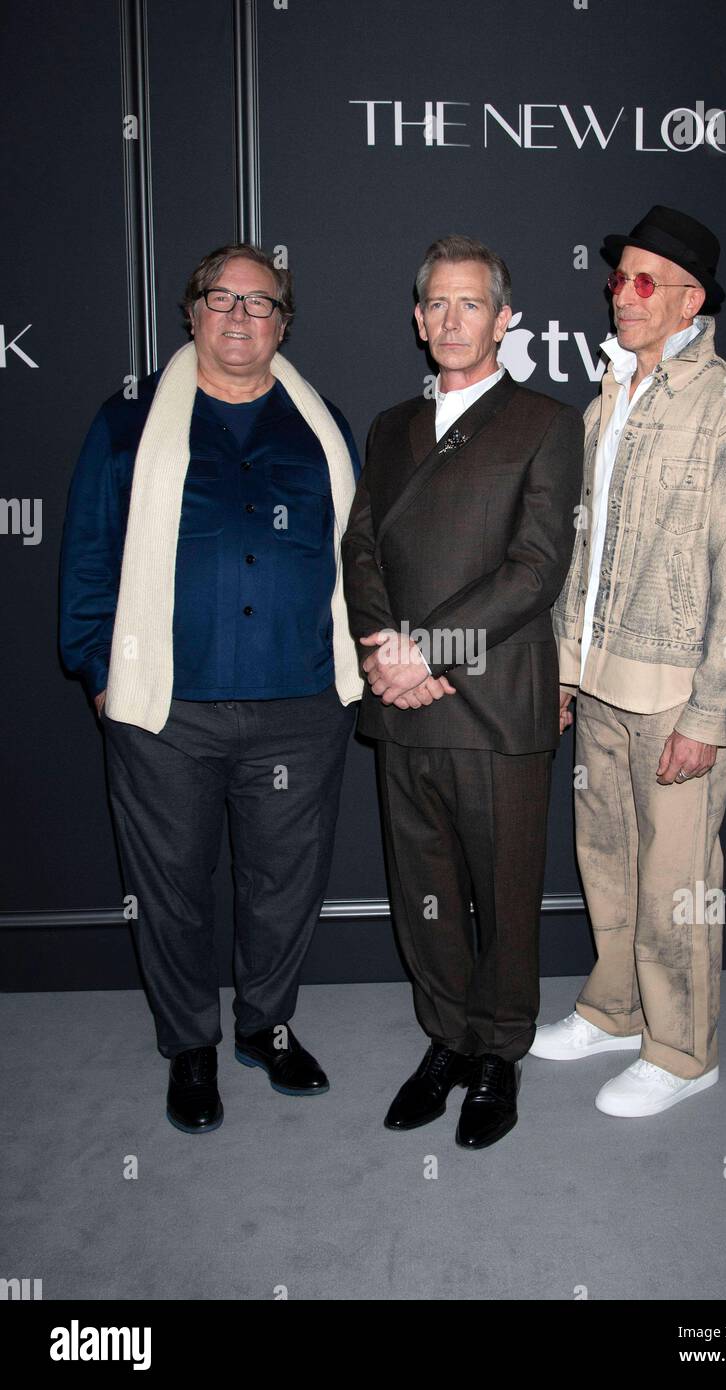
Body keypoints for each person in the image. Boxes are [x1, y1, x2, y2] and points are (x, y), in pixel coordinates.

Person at [59, 243, 363, 1133]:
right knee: (171, 888)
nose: (238, 316)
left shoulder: (323, 427)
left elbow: (359, 556)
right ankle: (189, 1043)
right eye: (220, 299)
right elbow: (86, 558)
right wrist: (100, 670)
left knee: (283, 885)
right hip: (166, 710)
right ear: (190, 313)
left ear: (283, 323)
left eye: (258, 302)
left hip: (301, 706)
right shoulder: (126, 423)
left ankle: (265, 1027)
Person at [532, 206, 726, 1117]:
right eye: (618, 278)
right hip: (597, 680)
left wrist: (709, 713)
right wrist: (564, 668)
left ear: (691, 301)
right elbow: (580, 551)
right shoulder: (607, 403)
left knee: (677, 883)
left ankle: (682, 1051)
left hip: (674, 694)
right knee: (606, 860)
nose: (621, 295)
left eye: (644, 281)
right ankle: (615, 1007)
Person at [342, 235, 584, 1149]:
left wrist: (424, 652)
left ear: (504, 318)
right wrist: (382, 648)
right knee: (425, 890)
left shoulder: (547, 423)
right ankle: (445, 1039)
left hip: (493, 704)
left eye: (470, 304)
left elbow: (534, 569)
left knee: (504, 891)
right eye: (436, 304)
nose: (451, 320)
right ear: (417, 319)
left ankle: (498, 1056)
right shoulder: (388, 426)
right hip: (401, 702)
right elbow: (360, 547)